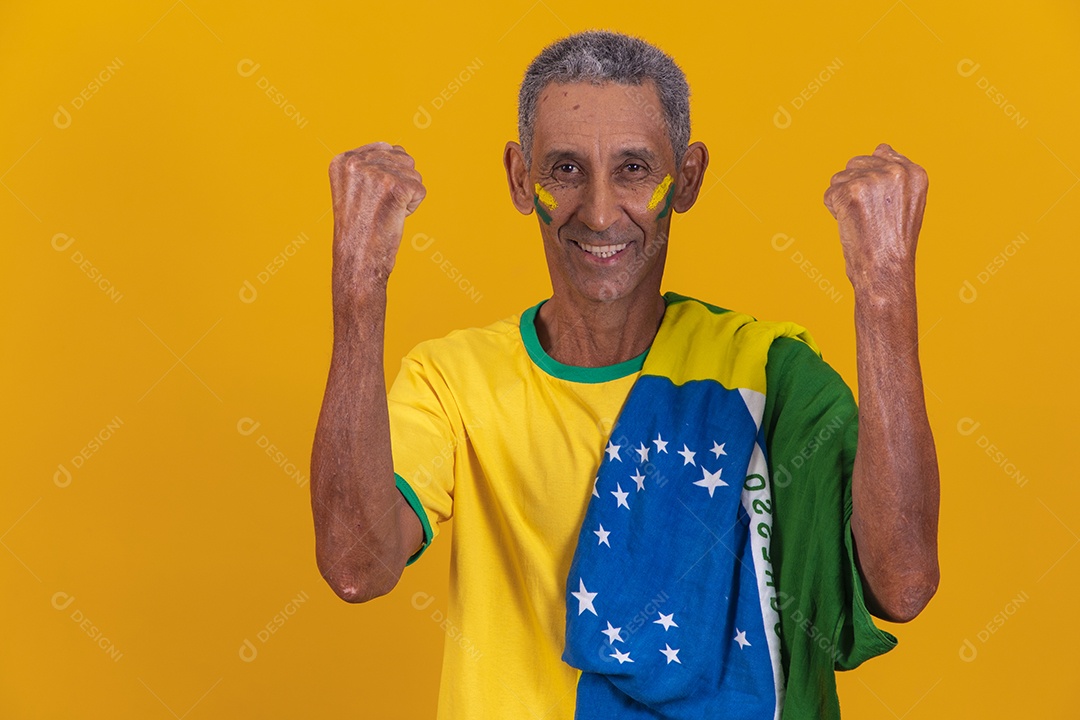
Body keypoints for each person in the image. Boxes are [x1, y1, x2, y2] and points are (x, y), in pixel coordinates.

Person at [309, 30, 939, 720]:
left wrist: (884, 295)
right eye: (566, 170)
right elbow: (355, 566)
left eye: (635, 169)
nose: (602, 212)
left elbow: (902, 583)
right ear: (522, 179)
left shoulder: (768, 373)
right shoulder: (452, 377)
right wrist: (359, 292)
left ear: (688, 177)